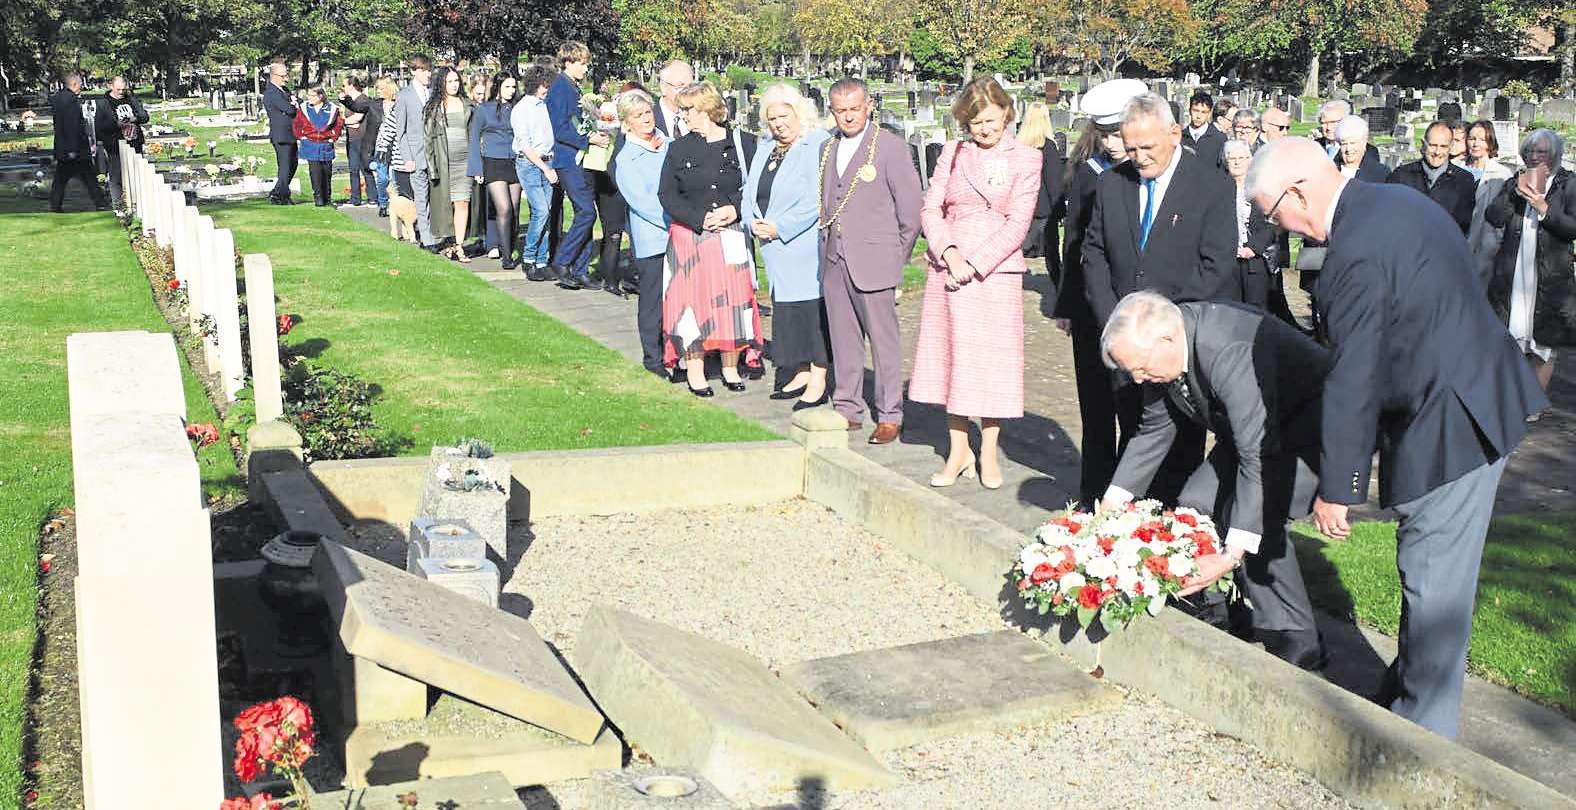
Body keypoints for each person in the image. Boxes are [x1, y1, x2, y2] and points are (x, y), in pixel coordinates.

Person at [1246, 136, 1546, 739]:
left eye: (1271, 212)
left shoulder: (1352, 257)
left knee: (1433, 580)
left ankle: (1421, 747)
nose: (1274, 227)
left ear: (1298, 191)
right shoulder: (1397, 202)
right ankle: (1406, 693)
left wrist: (1339, 487)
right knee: (1430, 570)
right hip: (1474, 394)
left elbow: (1354, 379)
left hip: (1453, 420)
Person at [1098, 293, 1330, 670]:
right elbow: (1154, 428)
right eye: (1131, 373)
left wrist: (1230, 555)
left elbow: (1257, 458)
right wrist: (1109, 506)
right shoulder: (1164, 351)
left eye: (1139, 368)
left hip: (1316, 431)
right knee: (1196, 504)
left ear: (1166, 341)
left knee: (1259, 517)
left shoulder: (1225, 350)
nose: (1138, 379)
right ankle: (1221, 608)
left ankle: (1296, 636)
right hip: (1255, 433)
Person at [1082, 91, 1238, 502]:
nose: (1138, 157)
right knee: (1133, 433)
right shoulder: (1112, 183)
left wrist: (1164, 326)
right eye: (1130, 148)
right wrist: (1114, 318)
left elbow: (1216, 264)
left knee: (1179, 445)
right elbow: (1094, 253)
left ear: (1174, 132)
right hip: (1126, 342)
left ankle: (1175, 529)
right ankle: (1126, 522)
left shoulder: (1211, 186)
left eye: (1147, 147)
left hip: (1175, 343)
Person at [910, 77, 1041, 490]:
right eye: (975, 122)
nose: (983, 129)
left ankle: (987, 451)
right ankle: (958, 449)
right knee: (953, 359)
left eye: (990, 119)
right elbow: (930, 209)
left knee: (990, 364)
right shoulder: (952, 153)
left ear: (1006, 112)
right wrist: (949, 253)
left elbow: (1019, 222)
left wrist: (977, 262)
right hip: (947, 270)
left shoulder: (1026, 159)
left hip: (994, 273)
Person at [818, 78, 923, 444]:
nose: (848, 116)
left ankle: (891, 413)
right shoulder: (826, 148)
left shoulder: (890, 147)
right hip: (834, 260)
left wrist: (895, 262)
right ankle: (847, 407)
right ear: (831, 110)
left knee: (884, 342)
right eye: (840, 110)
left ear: (868, 107)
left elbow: (911, 214)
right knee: (843, 340)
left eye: (854, 109)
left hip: (875, 261)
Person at [1057, 78, 1146, 507]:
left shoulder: (1143, 174)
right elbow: (1074, 244)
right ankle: (1093, 493)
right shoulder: (1089, 175)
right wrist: (1067, 305)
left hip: (1135, 311)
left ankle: (1130, 493)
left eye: (1118, 132)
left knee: (1132, 407)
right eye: (1105, 132)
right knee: (1095, 409)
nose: (1111, 142)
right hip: (1092, 312)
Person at [657, 81, 761, 396]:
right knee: (691, 304)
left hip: (729, 236)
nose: (682, 115)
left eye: (687, 109)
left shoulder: (742, 143)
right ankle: (696, 370)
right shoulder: (678, 148)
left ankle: (731, 367)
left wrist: (735, 211)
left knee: (732, 300)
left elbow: (754, 188)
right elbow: (667, 194)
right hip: (690, 236)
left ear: (705, 109)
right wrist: (698, 218)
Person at [741, 84, 834, 408]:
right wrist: (750, 220)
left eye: (783, 116)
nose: (778, 123)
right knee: (788, 315)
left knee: (810, 315)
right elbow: (749, 190)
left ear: (799, 112)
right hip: (774, 248)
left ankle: (819, 378)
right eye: (772, 118)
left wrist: (783, 227)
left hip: (803, 247)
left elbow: (817, 197)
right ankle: (802, 370)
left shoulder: (816, 144)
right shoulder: (766, 146)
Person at [1484, 129, 1576, 393]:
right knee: (1510, 335)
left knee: (1543, 343)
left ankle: (1534, 399)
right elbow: (1494, 217)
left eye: (1542, 152)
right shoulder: (1516, 181)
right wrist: (1514, 192)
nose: (1535, 157)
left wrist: (1545, 210)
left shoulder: (1568, 184)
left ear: (1555, 155)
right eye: (1530, 152)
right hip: (1515, 272)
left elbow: (1573, 228)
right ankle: (1513, 397)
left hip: (1548, 276)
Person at [609, 89, 671, 375]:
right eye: (638, 115)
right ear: (627, 123)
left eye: (648, 112)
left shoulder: (668, 144)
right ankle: (653, 359)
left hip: (680, 233)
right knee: (653, 300)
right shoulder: (627, 159)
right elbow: (642, 203)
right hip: (653, 238)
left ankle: (677, 354)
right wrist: (675, 221)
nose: (646, 119)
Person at [546, 41, 611, 289]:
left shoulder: (572, 87)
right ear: (568, 62)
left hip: (580, 158)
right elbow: (561, 128)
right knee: (586, 212)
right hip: (568, 159)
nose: (585, 68)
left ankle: (580, 270)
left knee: (586, 213)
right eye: (581, 63)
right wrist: (589, 139)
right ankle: (562, 261)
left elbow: (579, 122)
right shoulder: (561, 88)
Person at [378, 54, 437, 249]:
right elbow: (400, 131)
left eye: (429, 70)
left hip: (436, 155)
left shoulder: (435, 92)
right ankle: (427, 239)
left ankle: (437, 233)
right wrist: (407, 158)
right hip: (415, 156)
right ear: (413, 71)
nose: (428, 74)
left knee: (436, 197)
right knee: (421, 198)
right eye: (423, 70)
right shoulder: (404, 96)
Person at [423, 66, 475, 262]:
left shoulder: (467, 104)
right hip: (444, 163)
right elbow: (427, 140)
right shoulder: (434, 107)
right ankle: (449, 242)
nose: (454, 85)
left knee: (462, 203)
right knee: (447, 205)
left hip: (465, 162)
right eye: (449, 81)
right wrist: (432, 167)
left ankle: (459, 246)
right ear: (442, 83)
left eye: (456, 81)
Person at [1386, 121, 1475, 235]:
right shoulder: (1401, 176)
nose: (1437, 152)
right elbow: (1390, 216)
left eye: (1443, 146)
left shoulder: (1463, 180)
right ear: (1423, 144)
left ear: (1451, 146)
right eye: (1433, 145)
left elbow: (1463, 225)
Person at [512, 63, 558, 280]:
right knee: (541, 211)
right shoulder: (522, 109)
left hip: (548, 160)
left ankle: (541, 260)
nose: (547, 88)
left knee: (546, 213)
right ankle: (529, 258)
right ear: (535, 84)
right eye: (544, 84)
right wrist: (545, 168)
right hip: (531, 164)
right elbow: (526, 146)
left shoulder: (544, 105)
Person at [1223, 139, 1276, 308]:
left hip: (1255, 260)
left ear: (1250, 160)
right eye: (1232, 158)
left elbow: (1272, 223)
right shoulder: (1218, 188)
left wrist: (1252, 248)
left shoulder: (1261, 189)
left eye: (1242, 157)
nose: (1237, 162)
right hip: (1227, 260)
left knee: (1255, 310)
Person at [590, 83, 632, 297]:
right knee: (613, 232)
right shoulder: (610, 127)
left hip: (625, 186)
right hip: (609, 184)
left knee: (623, 232)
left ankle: (623, 276)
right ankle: (609, 278)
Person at [1464, 120, 1515, 287]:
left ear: (1490, 142)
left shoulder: (1502, 174)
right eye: (1471, 138)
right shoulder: (1456, 168)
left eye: (1481, 139)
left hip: (1486, 246)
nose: (1475, 143)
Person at [47, 72, 106, 213]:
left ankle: (56, 205)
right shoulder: (71, 101)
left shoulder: (59, 98)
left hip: (64, 146)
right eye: (80, 83)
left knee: (63, 179)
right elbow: (72, 125)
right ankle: (100, 202)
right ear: (73, 84)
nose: (81, 86)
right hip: (76, 148)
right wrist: (72, 149)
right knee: (88, 177)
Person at [94, 75, 148, 213]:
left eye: (123, 89)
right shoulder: (104, 103)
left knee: (136, 175)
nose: (121, 92)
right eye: (118, 89)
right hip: (115, 144)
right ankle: (118, 207)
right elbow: (100, 126)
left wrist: (134, 118)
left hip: (134, 143)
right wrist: (116, 124)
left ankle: (137, 205)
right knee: (116, 176)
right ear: (111, 86)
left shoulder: (131, 99)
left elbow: (144, 116)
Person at [1016, 101, 1061, 260]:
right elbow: (1054, 182)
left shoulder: (1017, 146)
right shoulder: (1048, 147)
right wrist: (1060, 210)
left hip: (1021, 209)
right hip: (1043, 212)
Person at [293, 87, 344, 206]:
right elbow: (297, 124)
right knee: (315, 171)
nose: (309, 98)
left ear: (320, 96)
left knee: (326, 171)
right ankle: (318, 198)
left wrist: (333, 137)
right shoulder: (304, 108)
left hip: (325, 143)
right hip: (310, 144)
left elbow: (338, 124)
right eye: (308, 95)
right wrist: (301, 136)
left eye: (312, 95)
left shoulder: (331, 109)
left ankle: (327, 197)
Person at [263, 62, 300, 205]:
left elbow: (296, 104)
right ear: (274, 76)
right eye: (283, 75)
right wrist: (293, 105)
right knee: (285, 166)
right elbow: (289, 109)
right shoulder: (271, 93)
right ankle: (282, 196)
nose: (286, 78)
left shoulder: (284, 90)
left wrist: (294, 104)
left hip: (290, 133)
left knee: (293, 164)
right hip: (281, 134)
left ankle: (278, 192)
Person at [339, 76, 374, 207]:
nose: (343, 88)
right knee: (353, 169)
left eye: (344, 85)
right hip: (351, 138)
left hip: (362, 138)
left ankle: (372, 197)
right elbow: (347, 118)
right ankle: (355, 198)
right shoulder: (349, 101)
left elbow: (357, 118)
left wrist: (343, 123)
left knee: (365, 168)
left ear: (351, 86)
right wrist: (347, 122)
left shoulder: (363, 100)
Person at [365, 77, 397, 217]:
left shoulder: (399, 104)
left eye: (382, 88)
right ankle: (383, 203)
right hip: (381, 146)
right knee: (382, 177)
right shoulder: (374, 105)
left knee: (396, 179)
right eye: (377, 88)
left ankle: (396, 205)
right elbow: (370, 129)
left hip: (397, 146)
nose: (378, 91)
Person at [1333, 116, 1387, 182]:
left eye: (1353, 143)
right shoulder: (1331, 169)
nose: (1348, 149)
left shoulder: (1380, 173)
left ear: (1363, 144)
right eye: (1344, 144)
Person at [652, 59, 695, 138]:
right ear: (663, 87)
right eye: (680, 86)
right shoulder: (648, 118)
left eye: (690, 86)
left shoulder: (700, 115)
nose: (688, 91)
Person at [1181, 90, 1225, 161]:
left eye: (1204, 112)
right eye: (1195, 111)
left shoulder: (1219, 139)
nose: (1199, 116)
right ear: (1189, 111)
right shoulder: (1180, 138)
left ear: (1209, 113)